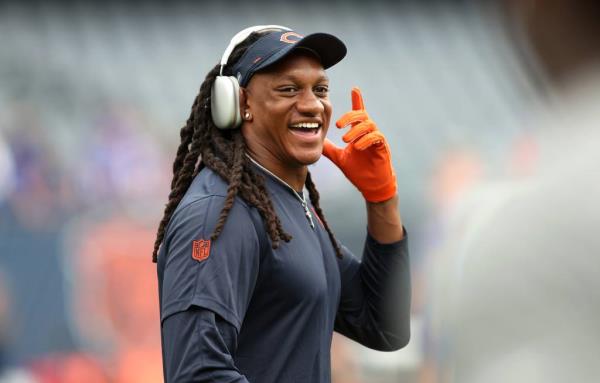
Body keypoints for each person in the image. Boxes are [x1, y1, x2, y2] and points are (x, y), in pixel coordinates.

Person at [153, 25, 411, 382]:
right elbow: (198, 374)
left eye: (320, 89)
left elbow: (384, 324)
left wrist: (381, 199)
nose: (312, 105)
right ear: (239, 103)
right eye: (288, 89)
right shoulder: (217, 215)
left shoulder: (287, 205)